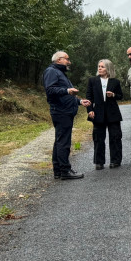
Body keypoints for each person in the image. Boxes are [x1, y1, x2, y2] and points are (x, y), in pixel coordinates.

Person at [43, 51, 92, 180]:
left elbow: (67, 96)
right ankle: (65, 170)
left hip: (64, 111)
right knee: (63, 142)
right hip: (61, 112)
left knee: (60, 141)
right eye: (67, 59)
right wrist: (67, 90)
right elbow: (50, 90)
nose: (69, 62)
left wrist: (80, 101)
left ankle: (58, 170)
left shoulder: (60, 73)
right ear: (59, 60)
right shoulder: (51, 71)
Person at [86, 59, 124, 170]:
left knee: (115, 137)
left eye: (102, 66)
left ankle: (115, 161)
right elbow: (89, 97)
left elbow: (120, 96)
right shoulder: (92, 80)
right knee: (98, 139)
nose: (99, 68)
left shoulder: (115, 82)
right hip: (97, 113)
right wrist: (89, 110)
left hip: (113, 113)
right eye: (99, 66)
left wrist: (113, 95)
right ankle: (99, 162)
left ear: (108, 68)